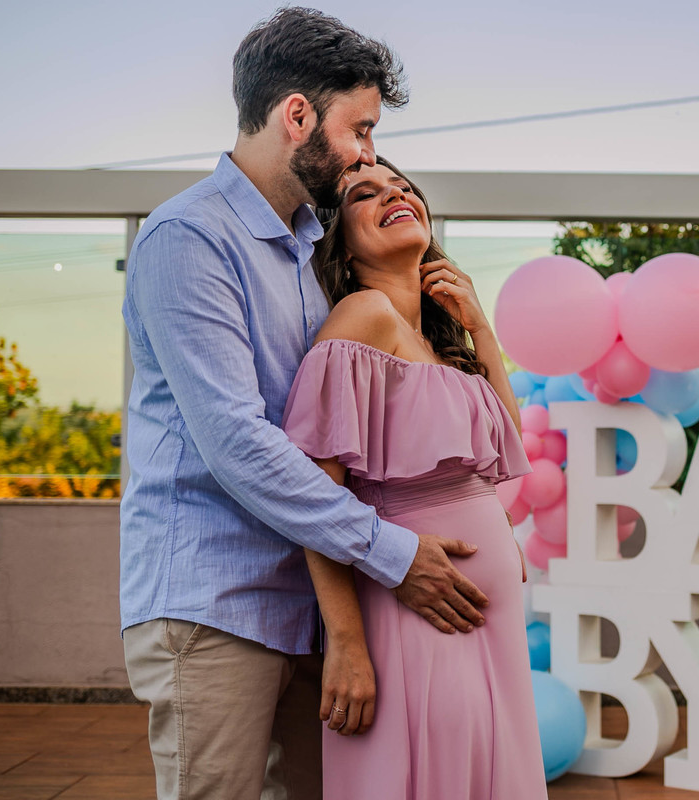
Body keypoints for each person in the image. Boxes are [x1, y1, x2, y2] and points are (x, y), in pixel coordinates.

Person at [120, 9, 488, 799]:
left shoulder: (313, 247)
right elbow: (236, 442)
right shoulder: (188, 238)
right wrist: (392, 555)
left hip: (319, 601)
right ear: (297, 117)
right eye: (360, 128)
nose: (368, 153)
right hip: (218, 602)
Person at [281, 156, 547, 799]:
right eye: (363, 195)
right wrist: (345, 642)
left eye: (402, 189)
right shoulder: (363, 316)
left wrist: (478, 324)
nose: (393, 195)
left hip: (488, 625)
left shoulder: (438, 344)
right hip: (415, 609)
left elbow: (504, 447)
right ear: (339, 242)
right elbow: (314, 492)